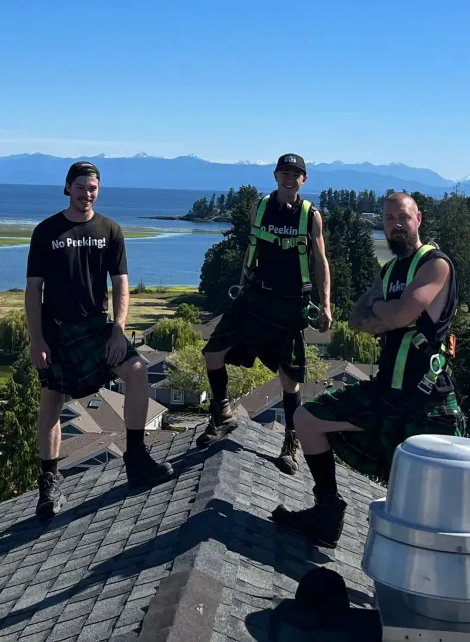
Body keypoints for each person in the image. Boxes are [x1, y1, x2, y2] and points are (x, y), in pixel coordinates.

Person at [272, 191, 463, 547]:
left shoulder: (435, 264)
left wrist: (383, 312)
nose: (395, 226)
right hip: (385, 393)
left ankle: (433, 565)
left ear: (418, 219)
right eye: (388, 220)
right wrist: (382, 313)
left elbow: (397, 315)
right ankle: (326, 511)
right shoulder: (390, 269)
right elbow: (358, 319)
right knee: (307, 419)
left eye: (403, 218)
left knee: (423, 497)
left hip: (425, 400)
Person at [26, 161, 173, 522]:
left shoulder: (110, 229)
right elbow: (34, 289)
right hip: (58, 329)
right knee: (52, 400)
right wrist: (37, 338)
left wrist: (119, 328)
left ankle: (136, 458)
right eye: (80, 187)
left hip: (97, 327)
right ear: (67, 188)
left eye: (92, 188)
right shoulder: (46, 231)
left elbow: (120, 282)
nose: (86, 193)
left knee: (137, 370)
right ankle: (49, 482)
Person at [198, 153, 331, 475]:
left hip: (288, 303)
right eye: (284, 172)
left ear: (304, 179)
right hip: (253, 297)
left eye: (295, 173)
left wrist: (326, 304)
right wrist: (242, 282)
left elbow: (320, 260)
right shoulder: (261, 207)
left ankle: (291, 441)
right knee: (212, 353)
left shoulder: (310, 215)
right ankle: (222, 414)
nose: (289, 178)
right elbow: (252, 245)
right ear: (275, 176)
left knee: (289, 379)